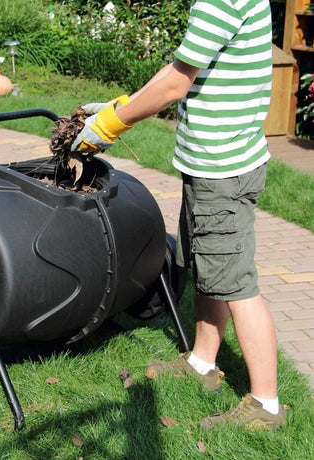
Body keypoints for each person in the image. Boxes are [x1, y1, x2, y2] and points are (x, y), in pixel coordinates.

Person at [71, 0, 286, 430]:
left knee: (237, 283)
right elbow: (180, 67)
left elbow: (175, 86)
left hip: (222, 171)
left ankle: (267, 405)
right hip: (213, 164)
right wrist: (119, 105)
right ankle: (203, 362)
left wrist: (113, 123)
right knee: (211, 269)